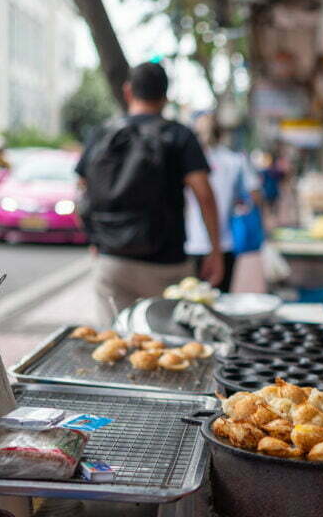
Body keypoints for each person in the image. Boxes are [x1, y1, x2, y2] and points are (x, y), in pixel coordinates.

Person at [76, 62, 223, 323]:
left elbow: (80, 192)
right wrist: (215, 250)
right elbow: (204, 195)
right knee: (168, 349)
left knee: (114, 345)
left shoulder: (102, 133)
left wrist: (94, 239)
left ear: (128, 91)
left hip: (112, 260)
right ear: (166, 96)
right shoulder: (180, 135)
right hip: (167, 264)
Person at [185, 111, 262, 292]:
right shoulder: (235, 160)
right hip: (222, 242)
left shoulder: (185, 161)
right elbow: (255, 195)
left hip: (191, 243)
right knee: (218, 299)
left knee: (188, 300)